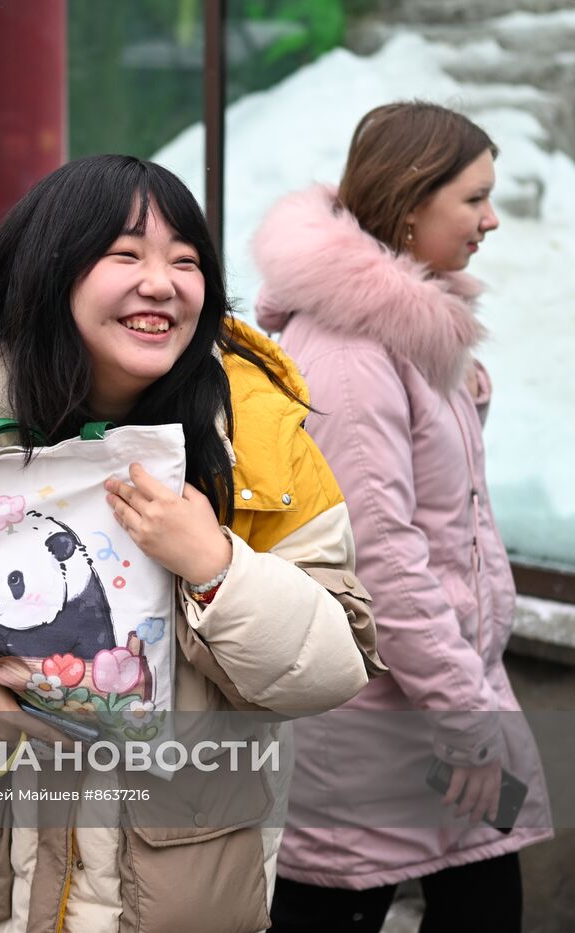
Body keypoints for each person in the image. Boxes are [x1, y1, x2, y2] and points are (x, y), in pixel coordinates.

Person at [0, 154, 383, 931]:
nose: (161, 283)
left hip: (178, 890)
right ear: (48, 269)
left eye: (185, 261)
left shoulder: (260, 439)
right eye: (126, 255)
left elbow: (334, 661)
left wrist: (217, 567)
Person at [254, 102, 552, 933]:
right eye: (474, 198)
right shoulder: (354, 356)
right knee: (339, 904)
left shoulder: (411, 332)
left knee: (488, 898)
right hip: (383, 722)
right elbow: (377, 557)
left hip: (438, 702)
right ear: (412, 202)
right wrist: (465, 716)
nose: (491, 220)